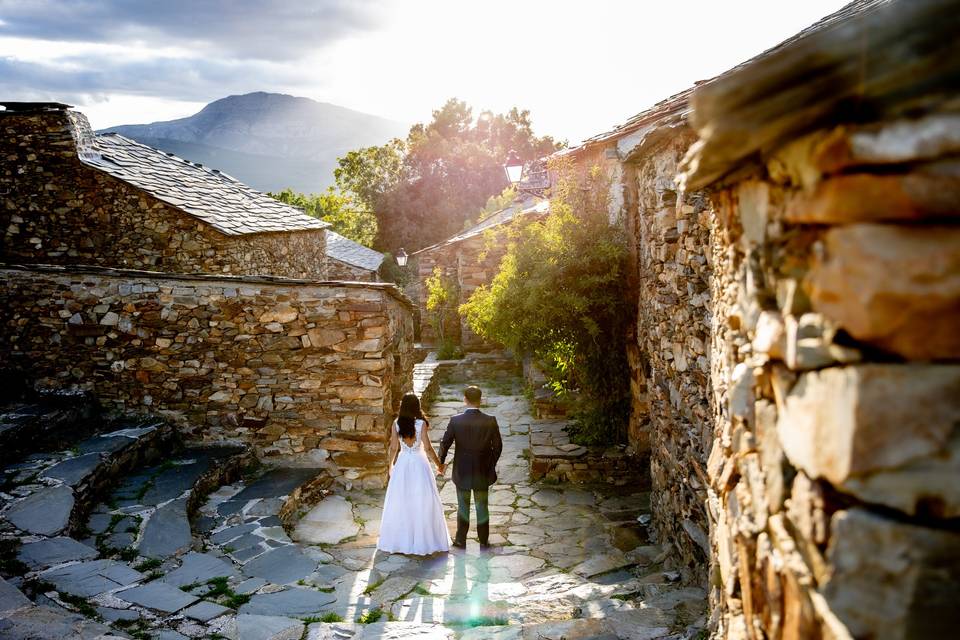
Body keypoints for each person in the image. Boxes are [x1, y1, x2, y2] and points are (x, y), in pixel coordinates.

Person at [377, 393, 450, 555]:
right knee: (423, 501)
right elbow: (429, 448)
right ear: (417, 406)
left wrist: (390, 466)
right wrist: (439, 465)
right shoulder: (421, 424)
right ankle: (423, 540)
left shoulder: (396, 424)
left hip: (403, 463)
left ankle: (401, 540)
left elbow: (393, 448)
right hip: (419, 463)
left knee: (401, 501)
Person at [438, 385, 503, 549]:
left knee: (463, 506)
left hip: (462, 470)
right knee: (482, 506)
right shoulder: (490, 420)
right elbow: (498, 446)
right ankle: (483, 540)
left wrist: (441, 462)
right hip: (483, 470)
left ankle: (461, 540)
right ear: (480, 400)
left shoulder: (455, 420)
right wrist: (490, 463)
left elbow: (445, 444)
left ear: (465, 399)